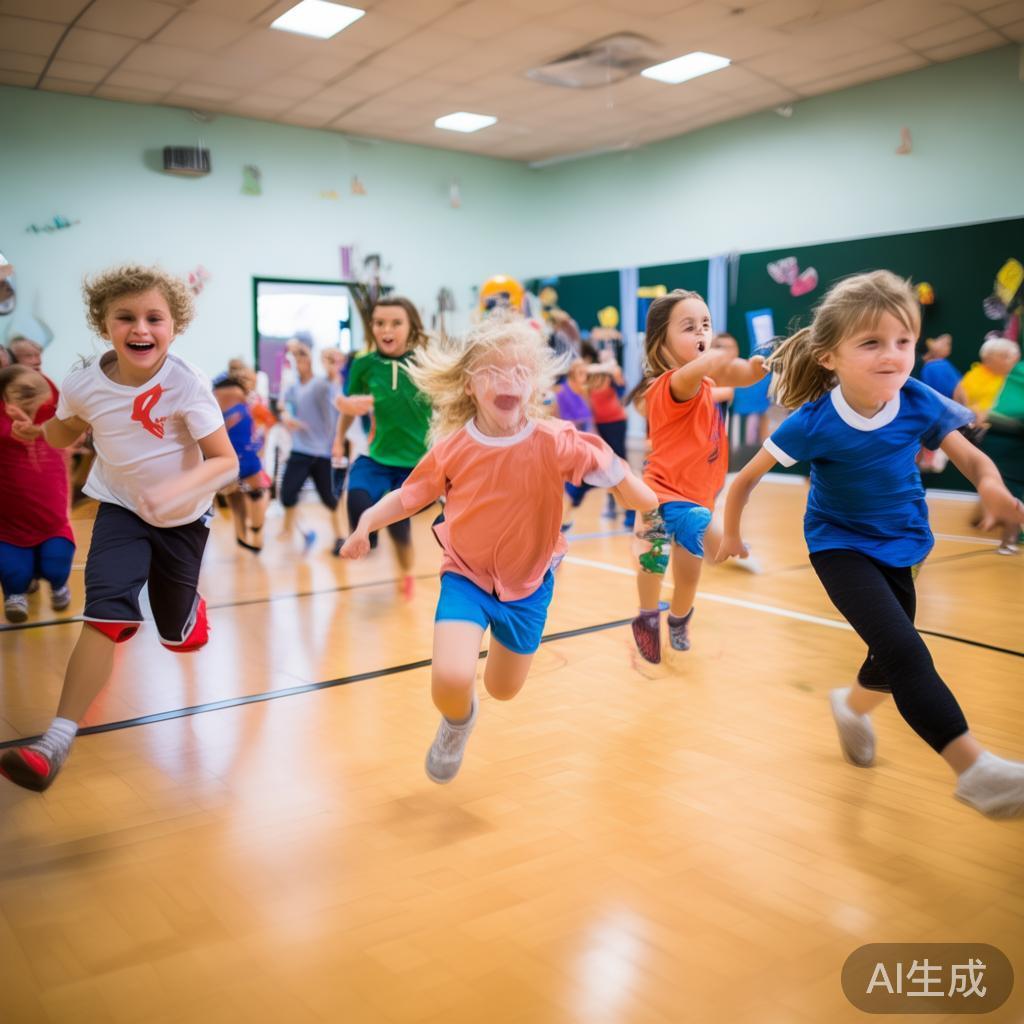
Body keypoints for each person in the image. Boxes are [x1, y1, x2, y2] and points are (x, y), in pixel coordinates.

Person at [719, 270, 1024, 819]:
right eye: (872, 343)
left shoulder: (917, 401)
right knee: (906, 650)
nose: (894, 355)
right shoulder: (814, 422)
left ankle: (850, 706)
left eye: (904, 341)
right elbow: (743, 480)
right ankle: (974, 769)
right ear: (830, 356)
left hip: (902, 542)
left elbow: (971, 457)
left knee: (886, 663)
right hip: (838, 547)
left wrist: (993, 487)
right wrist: (734, 533)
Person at [341, 315, 657, 783]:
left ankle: (478, 698)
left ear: (534, 384)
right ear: (469, 384)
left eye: (519, 371)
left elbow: (624, 482)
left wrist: (646, 509)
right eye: (492, 370)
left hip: (528, 585)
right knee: (451, 678)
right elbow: (410, 496)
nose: (507, 380)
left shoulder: (557, 442)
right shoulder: (453, 447)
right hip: (466, 576)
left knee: (502, 689)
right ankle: (456, 721)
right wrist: (367, 521)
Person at [0, 264, 237, 793]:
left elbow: (226, 462)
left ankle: (186, 612)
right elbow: (64, 432)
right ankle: (54, 743)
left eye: (155, 318)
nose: (141, 329)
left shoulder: (188, 383)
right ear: (103, 324)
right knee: (104, 612)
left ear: (174, 327)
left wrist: (176, 492)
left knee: (176, 635)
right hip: (120, 509)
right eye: (125, 317)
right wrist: (35, 428)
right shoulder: (85, 383)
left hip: (181, 519)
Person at [628, 289, 768, 664]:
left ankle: (678, 617)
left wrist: (759, 367)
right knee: (654, 560)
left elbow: (736, 374)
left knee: (689, 575)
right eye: (688, 327)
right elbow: (701, 370)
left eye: (705, 324)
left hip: (697, 495)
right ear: (662, 343)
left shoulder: (706, 383)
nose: (701, 332)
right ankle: (646, 617)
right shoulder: (670, 384)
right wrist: (719, 355)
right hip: (660, 495)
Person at [333, 297, 431, 594]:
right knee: (357, 496)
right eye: (379, 323)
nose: (387, 329)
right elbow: (349, 408)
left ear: (411, 325)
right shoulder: (364, 365)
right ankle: (366, 539)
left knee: (400, 530)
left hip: (416, 463)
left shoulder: (426, 362)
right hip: (377, 457)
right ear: (372, 327)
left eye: (396, 323)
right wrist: (338, 439)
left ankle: (406, 572)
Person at [0, 365, 74, 622]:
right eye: (20, 393)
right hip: (8, 528)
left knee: (56, 564)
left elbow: (62, 413)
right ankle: (15, 592)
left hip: (52, 523)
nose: (29, 397)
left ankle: (58, 585)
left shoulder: (52, 420)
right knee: (14, 573)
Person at [278, 338, 344, 553]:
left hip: (321, 452)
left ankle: (340, 536)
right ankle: (294, 531)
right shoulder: (294, 386)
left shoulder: (321, 385)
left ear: (310, 361)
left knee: (329, 498)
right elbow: (282, 404)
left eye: (302, 358)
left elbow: (332, 384)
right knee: (288, 494)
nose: (298, 363)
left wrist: (332, 366)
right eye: (295, 359)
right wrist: (287, 415)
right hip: (300, 449)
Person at [213, 377, 270, 552]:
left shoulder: (245, 401)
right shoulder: (246, 401)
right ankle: (252, 534)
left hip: (234, 455)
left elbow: (265, 423)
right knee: (252, 493)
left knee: (245, 493)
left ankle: (247, 534)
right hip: (242, 455)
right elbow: (266, 423)